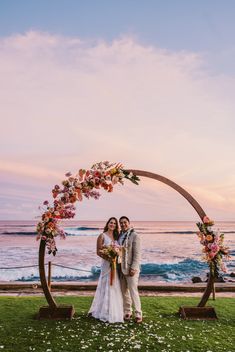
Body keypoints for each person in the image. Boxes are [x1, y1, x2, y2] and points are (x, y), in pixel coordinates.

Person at [88, 217, 124, 323]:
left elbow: (119, 250)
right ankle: (102, 311)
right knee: (105, 284)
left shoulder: (117, 237)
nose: (112, 224)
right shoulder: (102, 236)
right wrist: (109, 258)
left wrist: (116, 256)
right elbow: (98, 251)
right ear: (107, 224)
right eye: (110, 222)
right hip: (106, 264)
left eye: (114, 223)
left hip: (114, 264)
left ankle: (113, 310)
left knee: (114, 284)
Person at [118, 216, 142, 323]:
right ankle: (127, 311)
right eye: (121, 223)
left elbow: (137, 254)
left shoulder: (134, 235)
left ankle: (138, 314)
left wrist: (134, 267)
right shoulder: (119, 236)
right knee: (124, 291)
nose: (123, 224)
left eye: (125, 222)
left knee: (133, 291)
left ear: (129, 223)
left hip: (131, 268)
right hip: (120, 268)